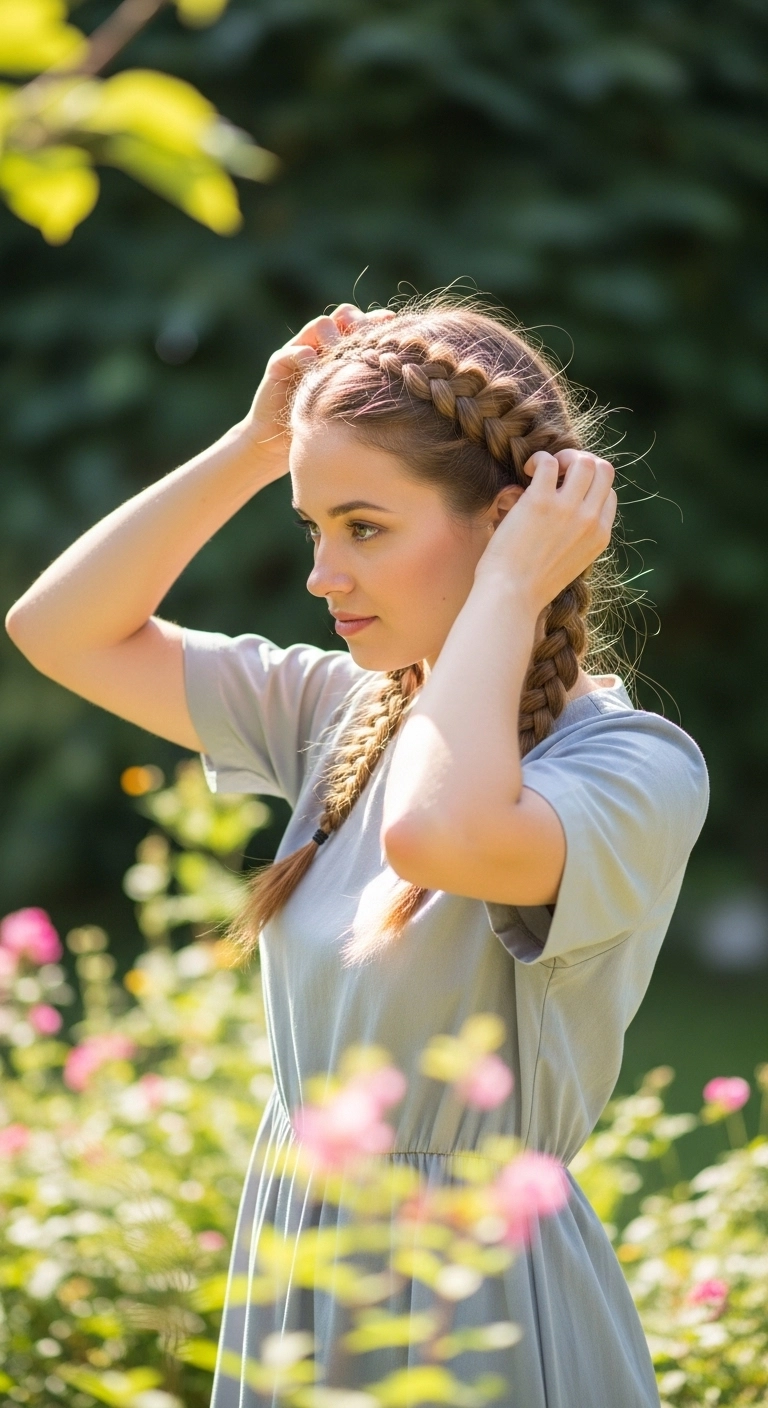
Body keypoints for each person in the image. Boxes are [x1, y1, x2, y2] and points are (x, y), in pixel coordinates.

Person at [6, 293, 709, 1407]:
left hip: (476, 1315)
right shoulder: (344, 710)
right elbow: (58, 629)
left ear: (504, 520)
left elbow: (436, 833)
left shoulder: (634, 770)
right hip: (300, 1275)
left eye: (365, 526)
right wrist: (252, 447)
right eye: (312, 526)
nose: (321, 575)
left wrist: (517, 587)